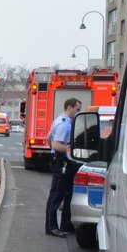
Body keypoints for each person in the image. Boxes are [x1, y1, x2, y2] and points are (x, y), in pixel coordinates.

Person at [45, 97, 83, 237]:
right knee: (57, 195)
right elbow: (56, 144)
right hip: (63, 162)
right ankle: (52, 227)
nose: (78, 112)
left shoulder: (60, 121)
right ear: (70, 108)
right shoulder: (64, 124)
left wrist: (54, 154)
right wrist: (69, 152)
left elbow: (49, 138)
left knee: (66, 193)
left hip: (61, 161)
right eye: (77, 109)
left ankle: (65, 225)